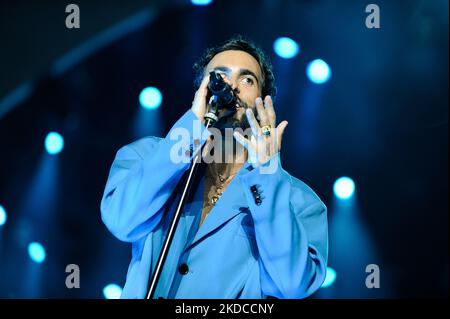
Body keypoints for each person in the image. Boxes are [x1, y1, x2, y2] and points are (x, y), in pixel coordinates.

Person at [100, 36, 328, 299]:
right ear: (201, 91)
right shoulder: (149, 155)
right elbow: (122, 221)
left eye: (247, 79)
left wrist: (266, 172)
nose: (231, 86)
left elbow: (292, 283)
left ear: (263, 102)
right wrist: (189, 132)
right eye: (219, 76)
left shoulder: (299, 200)